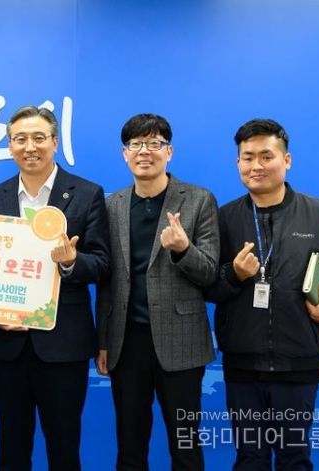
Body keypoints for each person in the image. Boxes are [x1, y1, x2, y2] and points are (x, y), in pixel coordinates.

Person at [207, 118, 319, 470]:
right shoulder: (223, 219)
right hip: (242, 364)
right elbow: (207, 286)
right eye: (247, 158)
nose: (256, 166)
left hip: (299, 361)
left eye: (266, 156)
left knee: (294, 457)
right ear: (238, 163)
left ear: (286, 160)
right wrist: (234, 275)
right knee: (250, 457)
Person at [0, 105, 110, 470]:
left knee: (64, 450)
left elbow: (102, 264)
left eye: (39, 138)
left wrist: (71, 261)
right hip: (8, 344)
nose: (30, 147)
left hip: (63, 344)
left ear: (54, 142)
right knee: (11, 450)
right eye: (20, 139)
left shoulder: (86, 193)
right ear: (10, 146)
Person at [95, 114, 219, 470]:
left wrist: (182, 249)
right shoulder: (112, 205)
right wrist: (103, 340)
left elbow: (210, 271)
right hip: (126, 343)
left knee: (185, 446)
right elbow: (106, 281)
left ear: (169, 151)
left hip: (181, 342)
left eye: (154, 143)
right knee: (130, 447)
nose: (144, 152)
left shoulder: (198, 200)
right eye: (136, 144)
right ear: (125, 154)